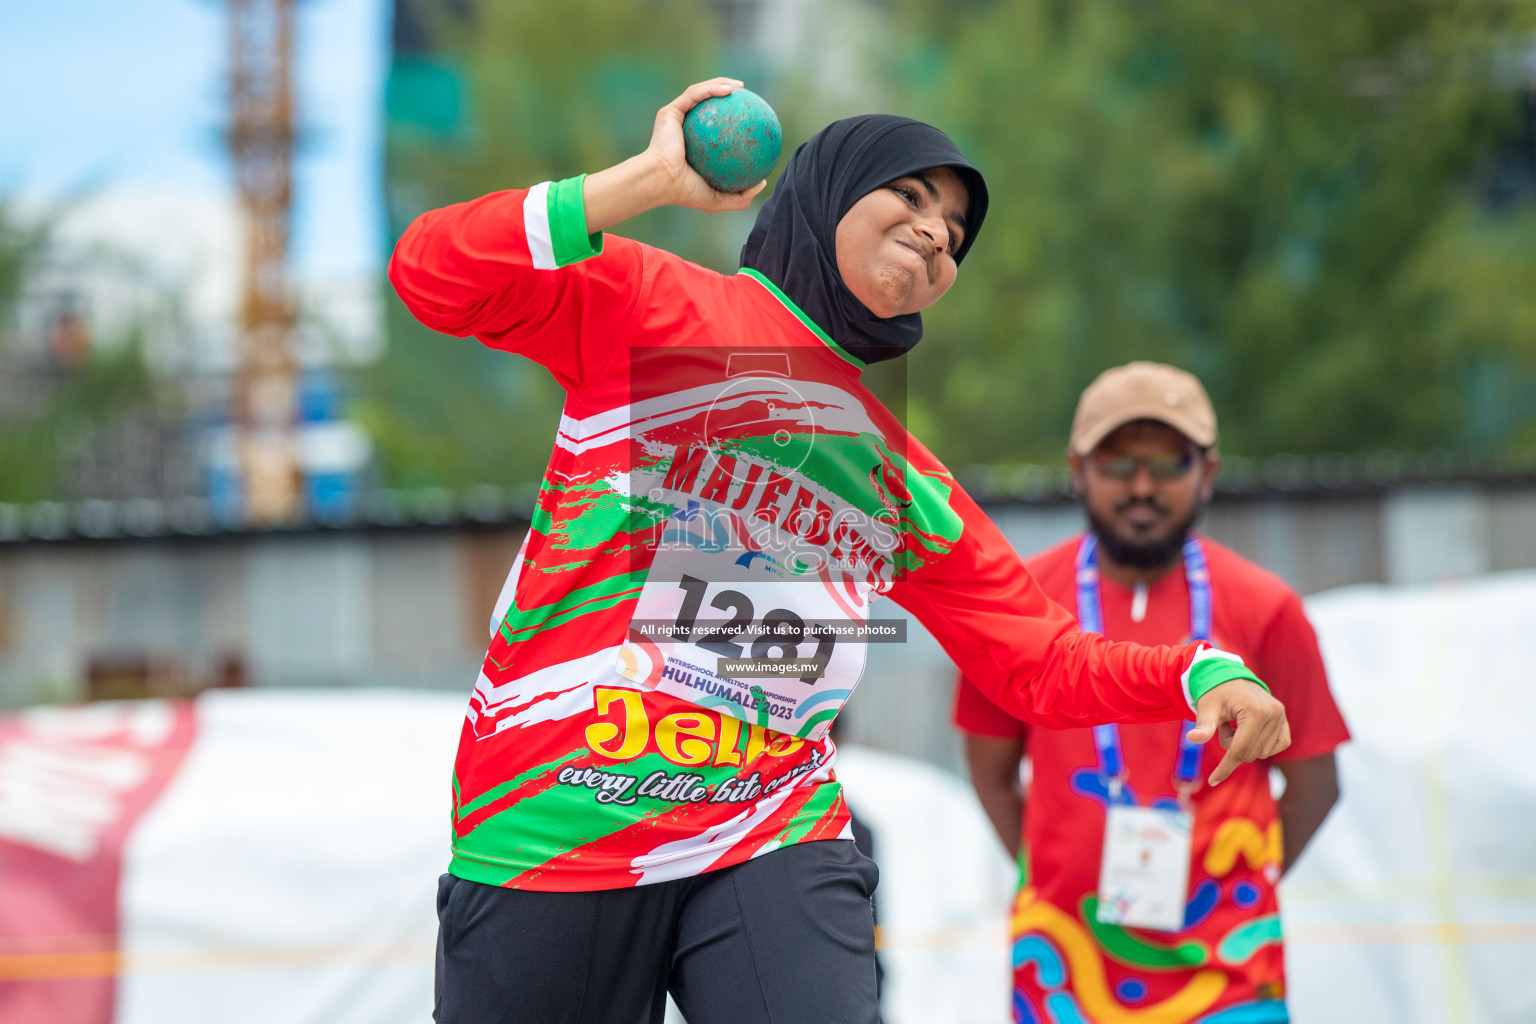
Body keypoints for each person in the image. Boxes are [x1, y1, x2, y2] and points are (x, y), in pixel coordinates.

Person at [390, 79, 1291, 1024]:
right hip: (557, 813)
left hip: (767, 822)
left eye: (953, 229)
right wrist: (647, 180)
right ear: (827, 196)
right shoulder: (653, 306)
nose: (937, 232)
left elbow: (1041, 664)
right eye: (909, 195)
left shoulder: (900, 475)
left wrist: (1202, 671)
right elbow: (431, 271)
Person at [954, 362, 1350, 1024]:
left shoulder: (1266, 608)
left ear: (1208, 474)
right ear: (1077, 470)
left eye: (1169, 464)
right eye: (1117, 464)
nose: (1142, 486)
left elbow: (1315, 784)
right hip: (1060, 966)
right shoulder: (1019, 603)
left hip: (1227, 970)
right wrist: (1058, 873)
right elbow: (992, 776)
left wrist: (1235, 889)